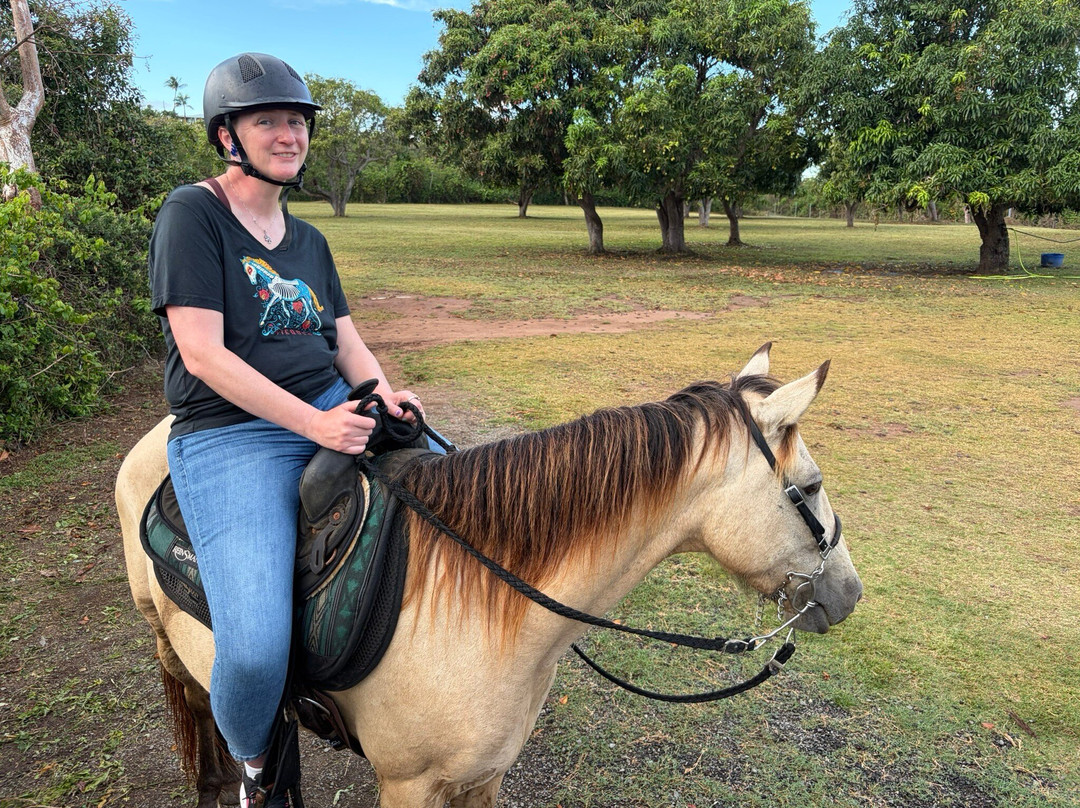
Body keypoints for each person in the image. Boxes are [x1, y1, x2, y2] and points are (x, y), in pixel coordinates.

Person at [149, 52, 420, 807]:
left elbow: (345, 341)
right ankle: (256, 766)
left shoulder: (308, 241)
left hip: (331, 403)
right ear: (226, 136)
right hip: (231, 434)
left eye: (297, 121)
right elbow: (201, 354)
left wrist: (383, 396)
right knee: (259, 646)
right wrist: (316, 425)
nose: (289, 134)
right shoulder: (192, 214)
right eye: (267, 119)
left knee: (470, 498)